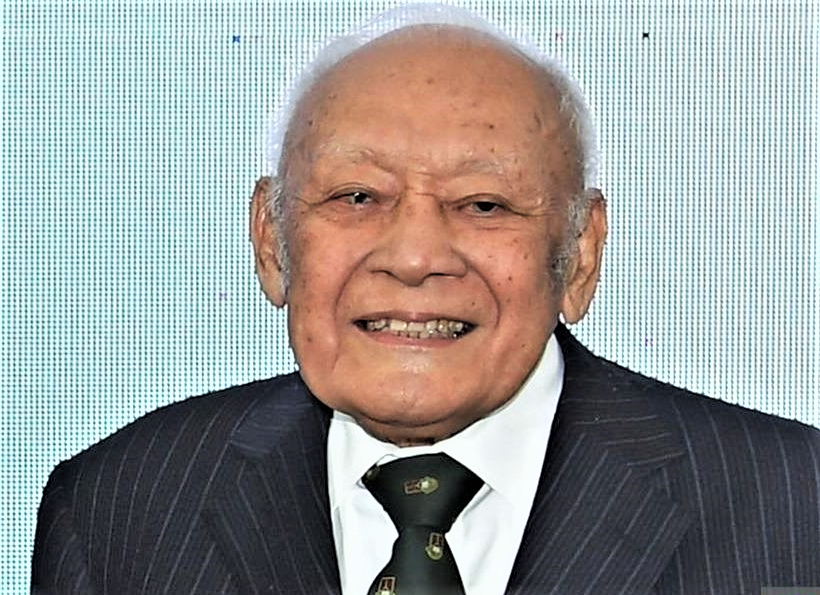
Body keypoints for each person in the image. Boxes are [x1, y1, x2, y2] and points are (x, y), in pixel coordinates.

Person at [32, 6, 819, 595]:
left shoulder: (796, 506)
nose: (414, 257)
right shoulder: (118, 508)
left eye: (483, 205)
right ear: (271, 242)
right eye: (357, 196)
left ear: (580, 255)